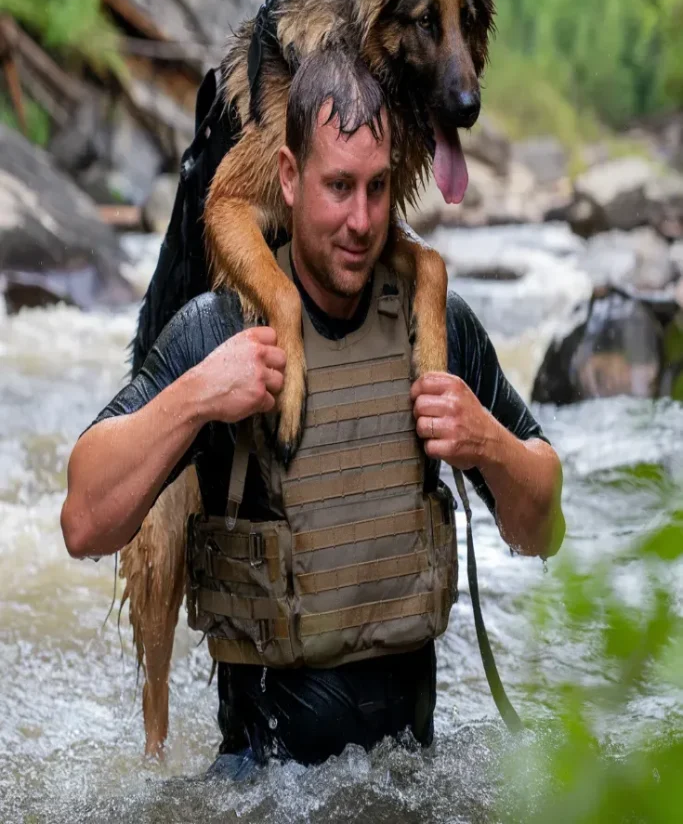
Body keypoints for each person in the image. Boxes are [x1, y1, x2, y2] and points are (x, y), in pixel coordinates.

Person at [62, 47, 564, 774]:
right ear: (290, 180)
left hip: (407, 781)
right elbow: (84, 520)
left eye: (376, 188)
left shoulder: (439, 330)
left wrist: (490, 443)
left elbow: (542, 527)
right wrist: (199, 394)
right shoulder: (218, 329)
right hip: (261, 787)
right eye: (337, 187)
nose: (360, 220)